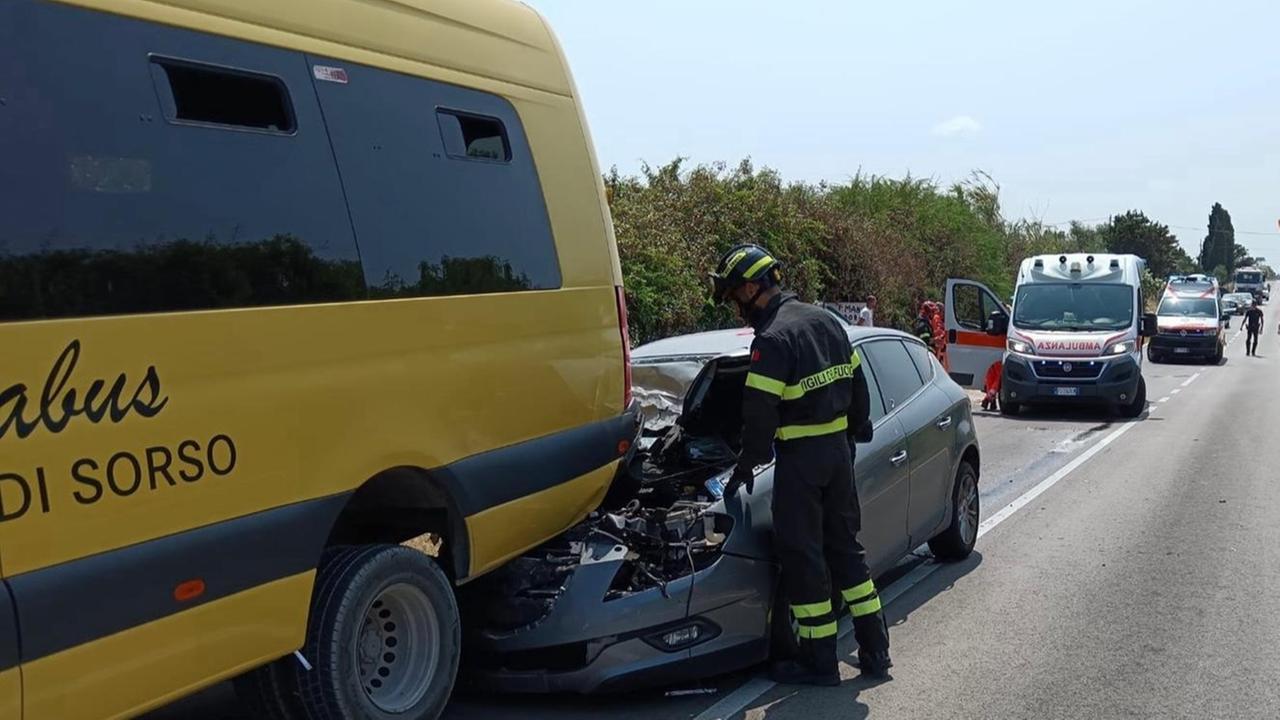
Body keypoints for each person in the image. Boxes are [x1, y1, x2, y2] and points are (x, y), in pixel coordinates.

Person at [711, 243, 892, 686]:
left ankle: (820, 662)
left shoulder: (772, 339)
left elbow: (759, 417)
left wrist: (744, 467)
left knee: (804, 557)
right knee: (847, 552)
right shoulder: (826, 321)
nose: (738, 307)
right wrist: (856, 430)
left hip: (800, 464)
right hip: (837, 455)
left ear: (754, 287)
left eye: (737, 296)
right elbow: (858, 386)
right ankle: (875, 651)